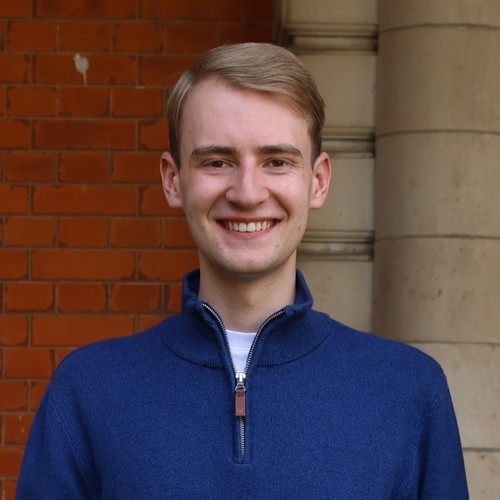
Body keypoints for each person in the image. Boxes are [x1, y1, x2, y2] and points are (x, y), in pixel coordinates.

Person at [17, 43, 468, 499]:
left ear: (317, 181)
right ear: (173, 180)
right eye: (217, 162)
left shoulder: (409, 391)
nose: (248, 193)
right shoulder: (87, 392)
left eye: (277, 161)